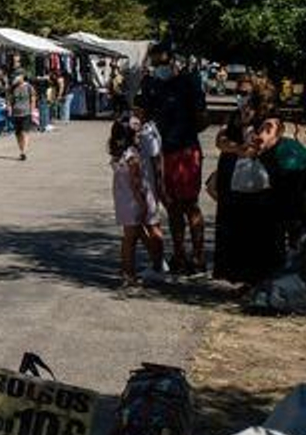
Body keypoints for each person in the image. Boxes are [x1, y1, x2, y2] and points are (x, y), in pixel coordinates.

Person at [137, 43, 209, 275]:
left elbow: (202, 118)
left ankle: (198, 257)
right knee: (172, 206)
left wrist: (184, 129)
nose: (160, 67)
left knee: (190, 204)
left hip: (186, 150)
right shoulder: (150, 84)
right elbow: (142, 114)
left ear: (173, 62)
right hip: (161, 152)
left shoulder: (189, 83)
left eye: (163, 62)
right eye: (156, 63)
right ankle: (179, 255)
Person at [213, 75, 284, 285]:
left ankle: (257, 280)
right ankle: (240, 277)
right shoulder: (234, 116)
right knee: (233, 228)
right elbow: (220, 140)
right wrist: (237, 147)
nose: (240, 97)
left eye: (244, 93)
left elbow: (258, 146)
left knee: (256, 231)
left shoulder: (270, 120)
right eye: (238, 92)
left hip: (259, 185)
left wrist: (243, 136)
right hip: (233, 180)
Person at [110, 119, 163, 289]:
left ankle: (128, 271)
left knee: (128, 237)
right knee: (131, 240)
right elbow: (136, 183)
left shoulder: (118, 154)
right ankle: (130, 274)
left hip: (122, 200)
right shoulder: (133, 156)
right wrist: (142, 204)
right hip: (134, 201)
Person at [8, 70, 37, 161]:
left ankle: (24, 152)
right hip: (16, 113)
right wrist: (9, 108)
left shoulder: (29, 87)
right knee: (18, 134)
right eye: (15, 76)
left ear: (22, 76)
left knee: (24, 132)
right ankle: (21, 149)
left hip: (26, 113)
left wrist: (32, 111)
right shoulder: (13, 87)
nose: (16, 78)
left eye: (18, 76)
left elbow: (33, 99)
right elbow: (10, 99)